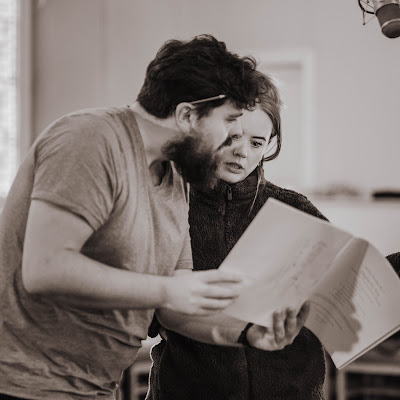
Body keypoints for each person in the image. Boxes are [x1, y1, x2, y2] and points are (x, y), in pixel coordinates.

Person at [0, 35, 304, 400]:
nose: (231, 140)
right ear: (187, 115)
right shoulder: (89, 139)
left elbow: (174, 308)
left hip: (94, 387)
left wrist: (247, 333)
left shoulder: (177, 176)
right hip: (25, 383)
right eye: (228, 123)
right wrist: (168, 289)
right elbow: (45, 268)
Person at [146, 74, 330, 400]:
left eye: (256, 143)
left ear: (270, 145)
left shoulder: (295, 208)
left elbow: (338, 285)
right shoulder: (172, 203)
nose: (241, 153)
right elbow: (157, 310)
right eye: (231, 137)